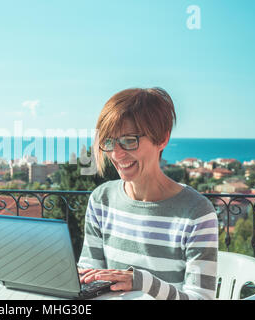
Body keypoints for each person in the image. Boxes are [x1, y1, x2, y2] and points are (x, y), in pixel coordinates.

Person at [78, 87, 218, 300]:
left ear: (162, 139)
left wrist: (142, 282)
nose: (116, 154)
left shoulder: (196, 213)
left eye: (129, 140)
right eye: (108, 142)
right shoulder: (101, 200)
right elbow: (90, 272)